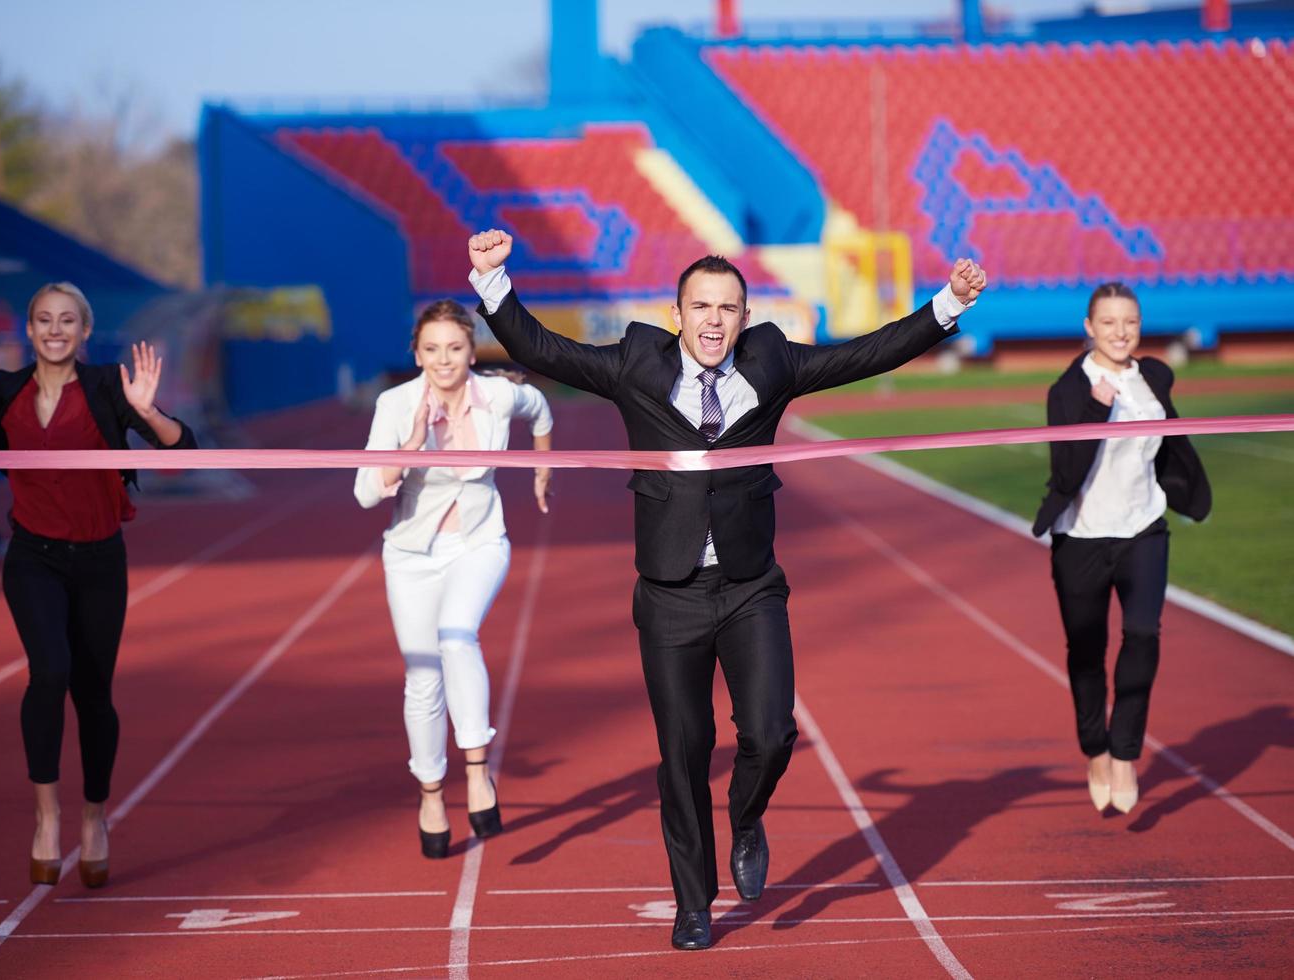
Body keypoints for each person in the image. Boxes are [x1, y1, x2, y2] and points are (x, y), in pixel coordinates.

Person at [467, 229, 986, 950]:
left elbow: (865, 352)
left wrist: (947, 304)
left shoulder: (772, 362)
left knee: (770, 735)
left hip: (749, 586)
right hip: (668, 593)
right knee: (682, 753)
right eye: (701, 307)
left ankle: (746, 816)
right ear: (677, 313)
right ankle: (693, 902)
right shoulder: (634, 363)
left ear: (744, 317)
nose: (714, 321)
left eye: (728, 309)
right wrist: (492, 281)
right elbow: (540, 349)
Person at [0, 282, 196, 888]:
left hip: (100, 560)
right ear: (29, 331)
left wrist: (149, 409)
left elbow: (182, 453)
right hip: (33, 557)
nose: (55, 330)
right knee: (48, 671)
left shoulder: (110, 386)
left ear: (84, 332)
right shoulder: (4, 389)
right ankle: (47, 816)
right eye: (43, 320)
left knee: (93, 695)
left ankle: (94, 818)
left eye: (67, 321)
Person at [354, 298, 553, 860]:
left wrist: (541, 469)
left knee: (456, 635)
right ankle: (432, 794)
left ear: (472, 351)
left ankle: (477, 771)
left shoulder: (498, 395)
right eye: (432, 349)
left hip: (480, 542)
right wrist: (412, 446)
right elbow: (366, 492)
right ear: (416, 353)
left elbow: (542, 412)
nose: (444, 360)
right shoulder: (394, 404)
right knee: (422, 678)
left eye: (456, 348)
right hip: (412, 553)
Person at [1032, 282, 1210, 816]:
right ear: (1089, 328)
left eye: (1129, 322)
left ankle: (1126, 750)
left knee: (1142, 634)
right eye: (1108, 323)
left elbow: (1170, 438)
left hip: (1142, 528)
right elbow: (1064, 472)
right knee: (1086, 656)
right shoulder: (1066, 390)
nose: (1120, 332)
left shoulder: (1154, 375)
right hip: (1081, 538)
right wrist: (1094, 407)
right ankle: (1096, 751)